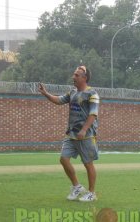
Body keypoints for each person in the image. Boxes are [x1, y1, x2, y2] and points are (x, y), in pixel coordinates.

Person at [38, 66, 100, 202]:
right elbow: (59, 100)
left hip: (86, 135)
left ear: (84, 78)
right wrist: (46, 93)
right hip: (71, 134)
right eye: (74, 74)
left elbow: (93, 114)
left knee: (88, 164)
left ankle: (91, 193)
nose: (73, 77)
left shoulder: (92, 94)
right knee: (63, 159)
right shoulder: (72, 93)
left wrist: (84, 130)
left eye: (77, 75)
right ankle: (77, 187)